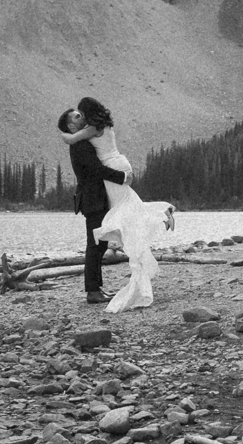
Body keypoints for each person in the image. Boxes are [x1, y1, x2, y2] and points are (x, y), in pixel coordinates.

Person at [58, 97, 175, 312]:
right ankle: (93, 291)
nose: (80, 117)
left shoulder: (85, 138)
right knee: (95, 244)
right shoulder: (81, 145)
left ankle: (96, 289)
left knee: (101, 241)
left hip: (98, 197)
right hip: (92, 199)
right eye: (76, 116)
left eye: (81, 113)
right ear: (71, 126)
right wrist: (122, 177)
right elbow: (96, 169)